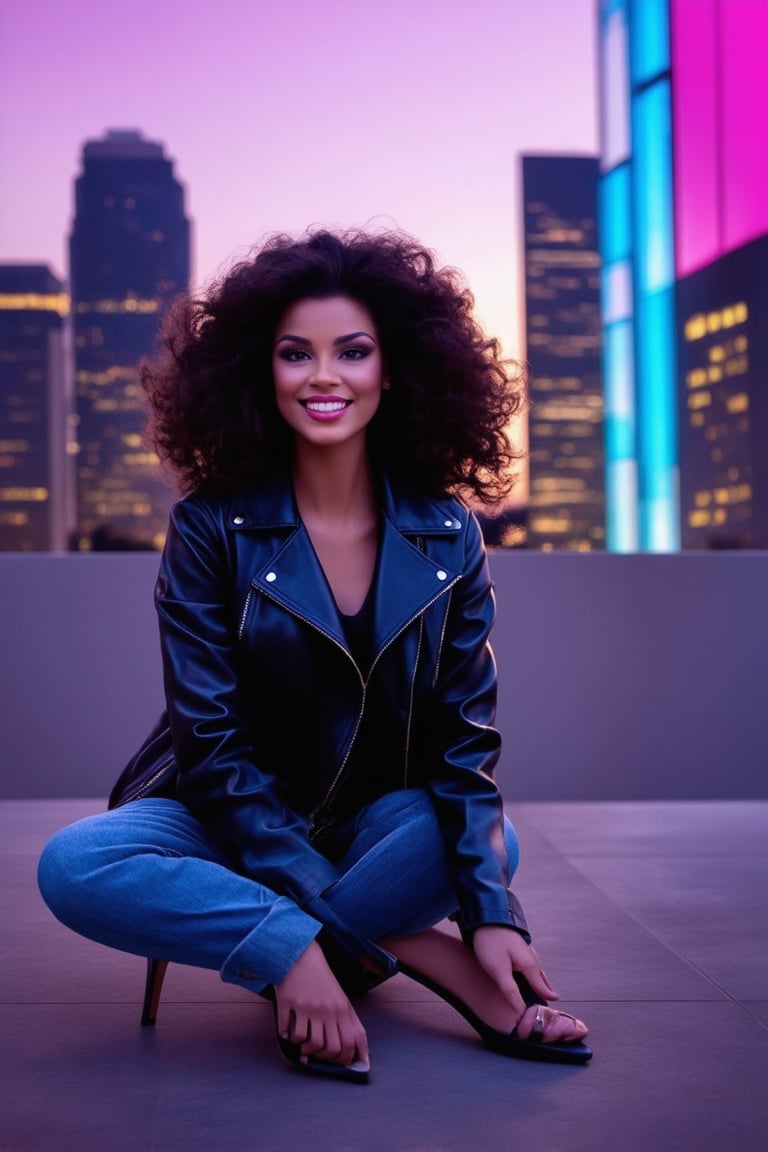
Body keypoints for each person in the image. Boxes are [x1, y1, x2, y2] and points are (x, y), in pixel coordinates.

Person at [38, 228, 591, 1082]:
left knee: (495, 846)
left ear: (395, 369)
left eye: (353, 352)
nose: (324, 376)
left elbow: (463, 749)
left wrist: (492, 916)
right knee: (74, 864)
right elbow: (212, 746)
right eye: (296, 353)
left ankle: (311, 937)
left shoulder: (449, 537)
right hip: (220, 819)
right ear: (263, 372)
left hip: (371, 822)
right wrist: (302, 945)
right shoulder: (207, 527)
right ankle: (399, 956)